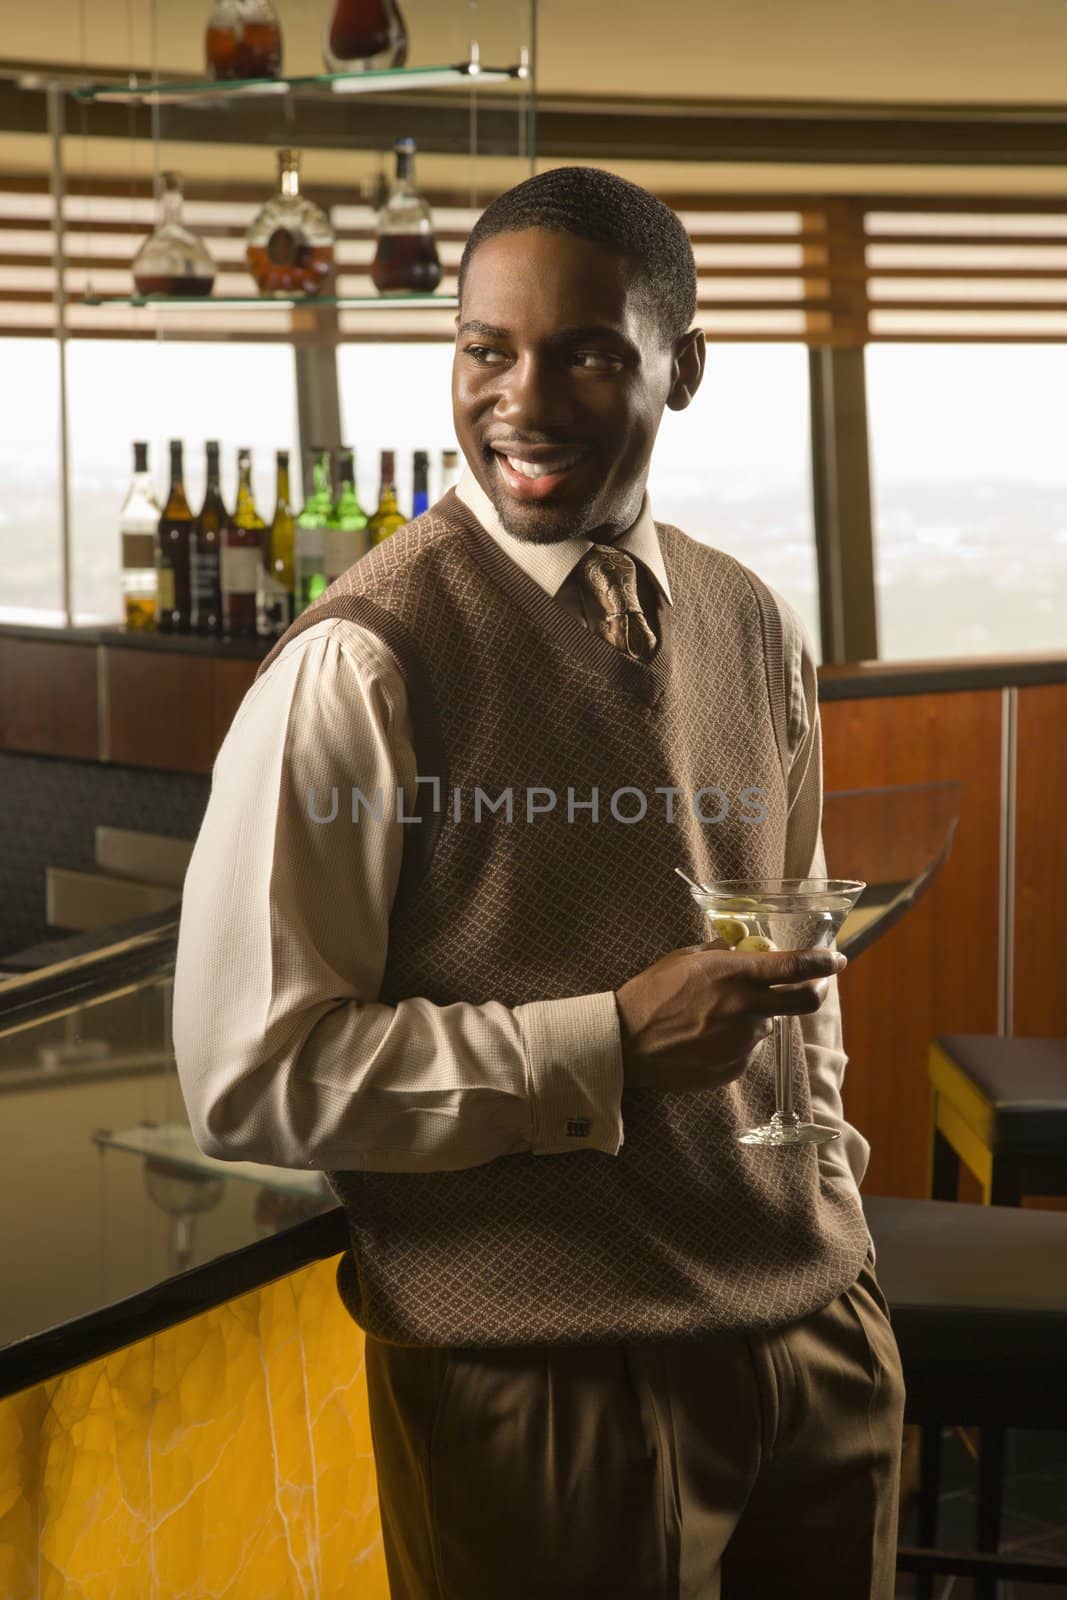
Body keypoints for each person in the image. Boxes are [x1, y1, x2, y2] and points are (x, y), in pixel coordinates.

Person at [173, 164, 905, 1599]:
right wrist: (610, 1043)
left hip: (817, 1342)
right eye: (486, 351)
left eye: (586, 351)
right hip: (548, 1392)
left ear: (681, 368)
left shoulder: (755, 620)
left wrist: (839, 1221)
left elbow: (797, 962)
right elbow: (249, 1077)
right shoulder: (359, 661)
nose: (524, 398)